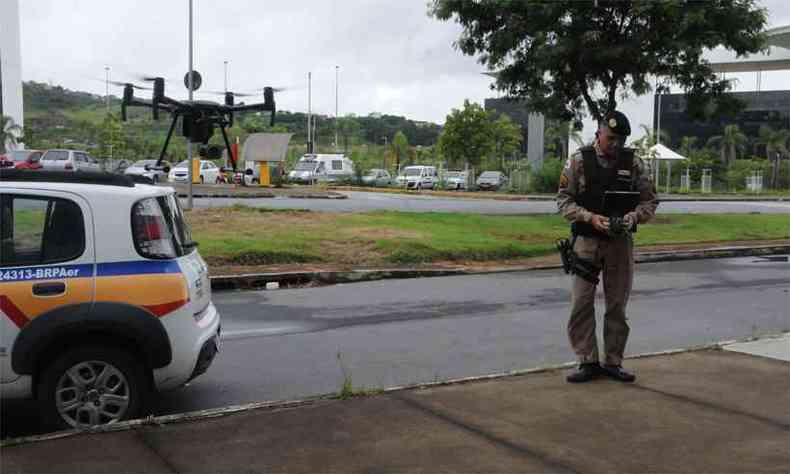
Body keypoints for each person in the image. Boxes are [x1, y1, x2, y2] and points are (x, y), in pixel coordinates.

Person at [556, 110, 658, 383]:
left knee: (617, 306)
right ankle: (587, 361)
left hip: (619, 243)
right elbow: (563, 201)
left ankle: (613, 362)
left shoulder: (634, 163)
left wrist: (633, 217)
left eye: (621, 140)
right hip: (586, 243)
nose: (615, 145)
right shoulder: (578, 161)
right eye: (611, 138)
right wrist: (590, 217)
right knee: (581, 303)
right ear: (599, 132)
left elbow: (650, 202)